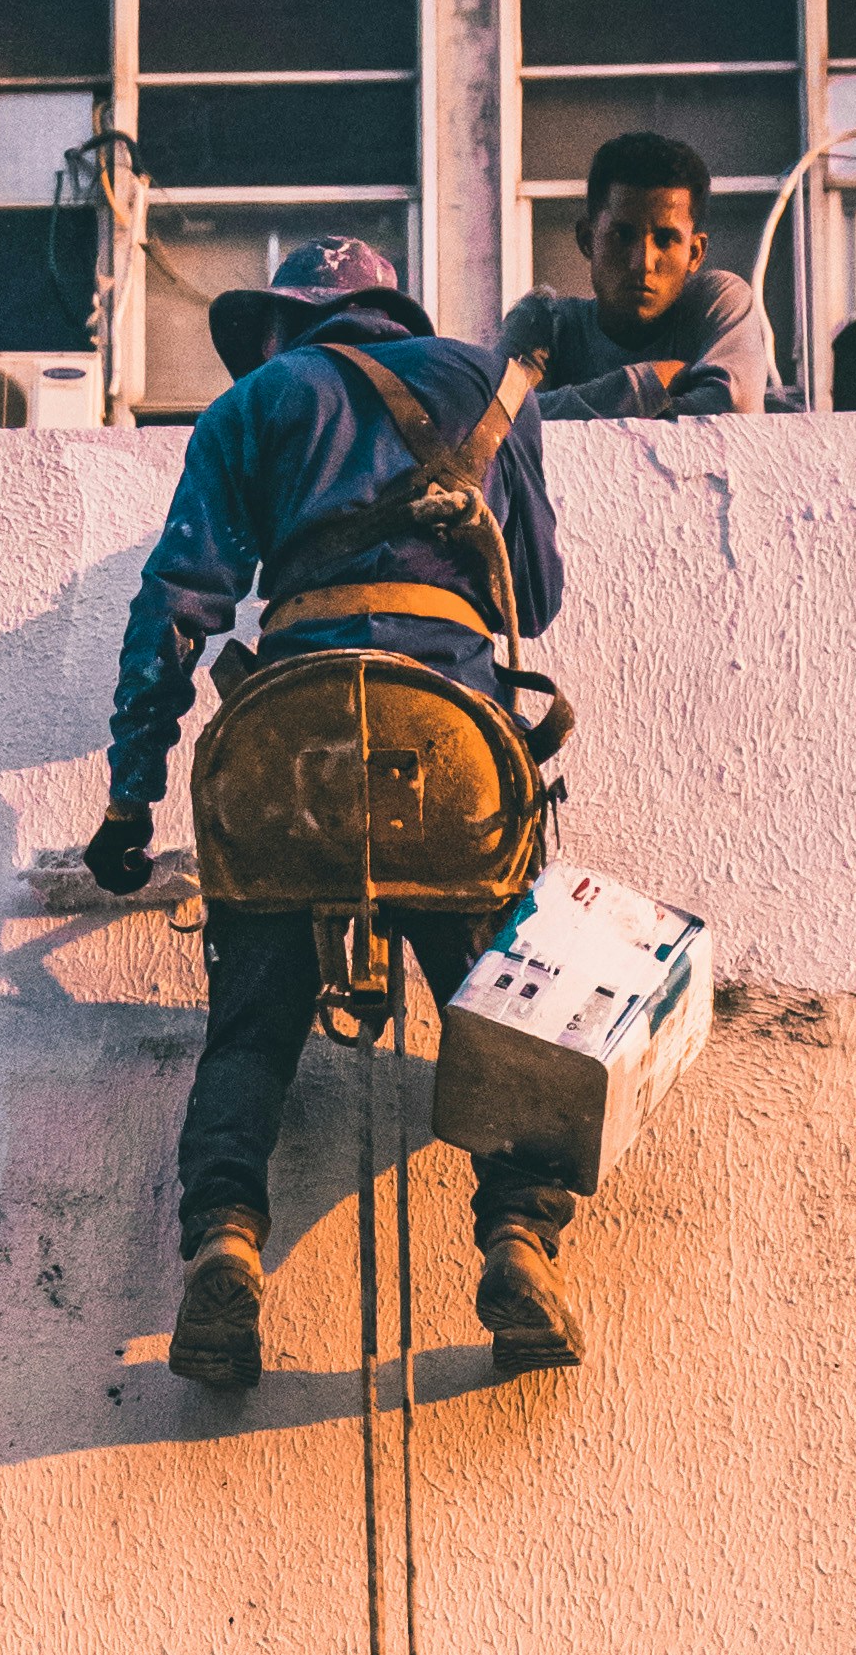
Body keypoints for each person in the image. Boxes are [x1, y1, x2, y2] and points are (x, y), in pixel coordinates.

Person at [81, 235, 585, 1393]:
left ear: (282, 326)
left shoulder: (254, 404)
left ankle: (223, 1240)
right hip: (444, 735)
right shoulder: (488, 383)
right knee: (508, 1005)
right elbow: (540, 598)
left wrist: (128, 795)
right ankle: (515, 1239)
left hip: (289, 737)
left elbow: (175, 604)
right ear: (387, 312)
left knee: (251, 1022)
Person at [500, 128, 773, 416]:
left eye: (666, 239)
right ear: (587, 239)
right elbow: (495, 417)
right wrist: (645, 385)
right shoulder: (545, 325)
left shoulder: (718, 304)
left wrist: (553, 412)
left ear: (694, 253)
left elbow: (732, 412)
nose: (642, 262)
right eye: (622, 235)